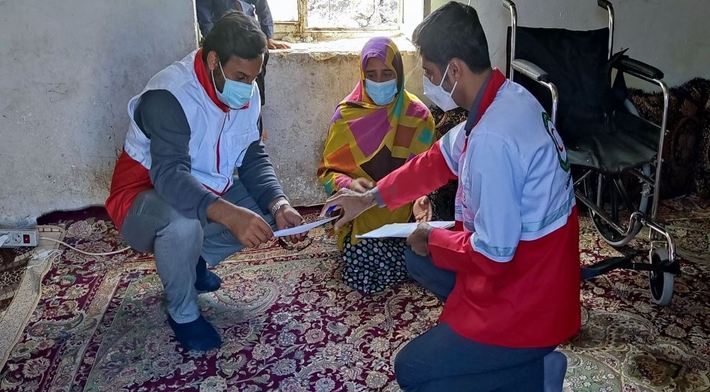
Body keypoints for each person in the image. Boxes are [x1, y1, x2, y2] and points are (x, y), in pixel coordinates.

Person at [321, 2, 580, 391]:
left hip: (528, 292)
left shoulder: (493, 139)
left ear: (455, 69)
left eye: (429, 73)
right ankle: (521, 364)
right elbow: (436, 160)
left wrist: (433, 237)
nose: (426, 83)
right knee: (415, 257)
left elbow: (493, 255)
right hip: (536, 267)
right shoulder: (504, 96)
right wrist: (371, 197)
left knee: (414, 372)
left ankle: (533, 373)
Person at [105, 12, 306, 352]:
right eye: (241, 75)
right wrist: (230, 214)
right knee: (182, 223)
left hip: (206, 192)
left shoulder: (246, 92)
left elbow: (253, 155)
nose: (249, 86)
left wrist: (279, 202)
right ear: (213, 60)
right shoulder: (169, 95)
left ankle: (191, 261)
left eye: (254, 76)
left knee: (267, 208)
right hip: (144, 199)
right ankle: (183, 312)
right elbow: (169, 178)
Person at [317, 37, 436, 294]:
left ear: (399, 73)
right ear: (362, 75)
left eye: (387, 74)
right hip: (362, 214)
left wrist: (423, 199)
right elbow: (327, 173)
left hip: (406, 215)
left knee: (432, 257)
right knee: (365, 276)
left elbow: (427, 173)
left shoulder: (419, 116)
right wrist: (349, 184)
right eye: (372, 75)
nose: (380, 82)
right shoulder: (347, 116)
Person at [196, 0, 289, 106]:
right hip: (225, 38)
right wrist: (214, 41)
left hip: (250, 34)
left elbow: (263, 9)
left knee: (253, 82)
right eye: (241, 76)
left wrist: (268, 36)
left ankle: (257, 109)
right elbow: (204, 14)